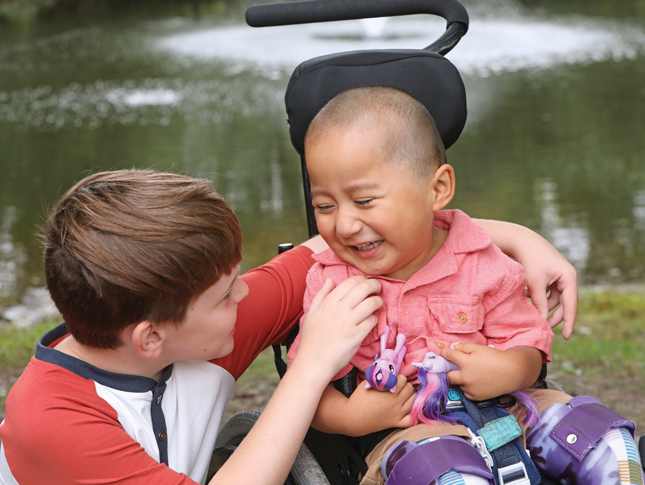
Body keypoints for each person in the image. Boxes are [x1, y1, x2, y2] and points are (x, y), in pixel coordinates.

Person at [0, 169, 578, 485]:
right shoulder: (51, 422)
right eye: (228, 293)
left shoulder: (188, 330)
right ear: (151, 337)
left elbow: (346, 242)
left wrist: (522, 240)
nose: (247, 293)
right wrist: (311, 364)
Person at [286, 86, 643, 485]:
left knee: (603, 442)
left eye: (365, 201)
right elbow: (304, 385)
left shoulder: (481, 259)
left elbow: (529, 342)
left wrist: (511, 368)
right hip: (412, 430)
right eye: (325, 206)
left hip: (516, 407)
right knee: (448, 473)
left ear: (437, 190)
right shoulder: (332, 282)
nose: (345, 224)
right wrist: (351, 418)